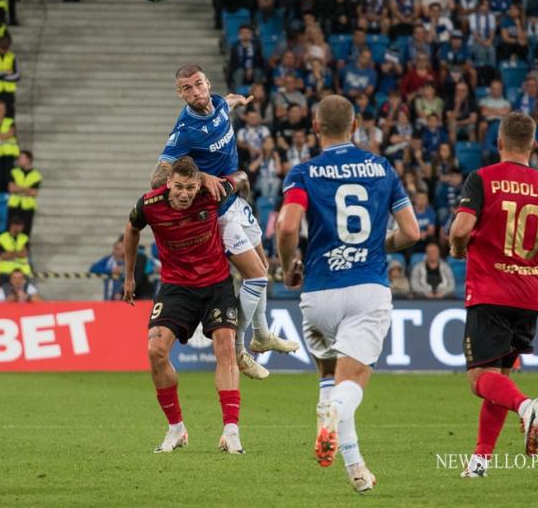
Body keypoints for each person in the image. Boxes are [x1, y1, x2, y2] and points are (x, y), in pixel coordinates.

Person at [275, 95, 420, 493]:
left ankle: (357, 470)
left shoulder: (304, 172)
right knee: (351, 384)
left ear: (316, 128)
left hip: (319, 293)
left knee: (330, 377)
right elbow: (412, 233)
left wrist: (288, 267)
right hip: (366, 288)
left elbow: (287, 227)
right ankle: (333, 413)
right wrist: (376, 243)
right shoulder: (381, 167)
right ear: (355, 127)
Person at [151, 64, 299, 381]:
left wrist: (239, 100)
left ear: (208, 83)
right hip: (216, 212)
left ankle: (262, 333)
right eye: (187, 88)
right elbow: (158, 178)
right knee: (257, 277)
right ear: (179, 93)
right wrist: (201, 176)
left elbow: (227, 101)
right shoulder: (185, 129)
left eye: (199, 84)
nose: (195, 91)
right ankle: (240, 348)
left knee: (263, 269)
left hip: (235, 200)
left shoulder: (218, 103)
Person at [448, 111, 538, 478]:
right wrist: (534, 267)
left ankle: (525, 407)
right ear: (533, 145)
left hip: (490, 291)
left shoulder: (483, 179)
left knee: (478, 380)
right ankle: (480, 461)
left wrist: (459, 249)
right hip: (528, 297)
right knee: (499, 377)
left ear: (499, 142)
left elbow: (460, 229)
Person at [123, 157, 248, 454]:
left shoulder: (212, 192)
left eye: (190, 187)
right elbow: (131, 230)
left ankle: (231, 431)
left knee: (226, 346)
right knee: (155, 351)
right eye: (178, 187)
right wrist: (128, 276)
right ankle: (176, 428)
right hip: (176, 287)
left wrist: (211, 181)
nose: (184, 194)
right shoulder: (149, 204)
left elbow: (242, 177)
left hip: (216, 284)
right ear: (169, 184)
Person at [7, 150, 41, 237]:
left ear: (29, 160)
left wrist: (18, 188)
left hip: (28, 206)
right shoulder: (14, 172)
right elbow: (11, 188)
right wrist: (26, 189)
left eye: (21, 157)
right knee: (10, 230)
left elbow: (34, 193)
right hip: (14, 204)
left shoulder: (36, 175)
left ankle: (24, 250)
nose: (18, 160)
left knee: (26, 232)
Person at [0, 217, 31, 285]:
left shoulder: (24, 238)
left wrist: (11, 253)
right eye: (20, 226)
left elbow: (25, 254)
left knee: (23, 294)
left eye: (22, 226)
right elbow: (2, 256)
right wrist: (19, 253)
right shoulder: (1, 237)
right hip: (5, 272)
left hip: (22, 272)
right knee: (6, 293)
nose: (22, 228)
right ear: (13, 226)